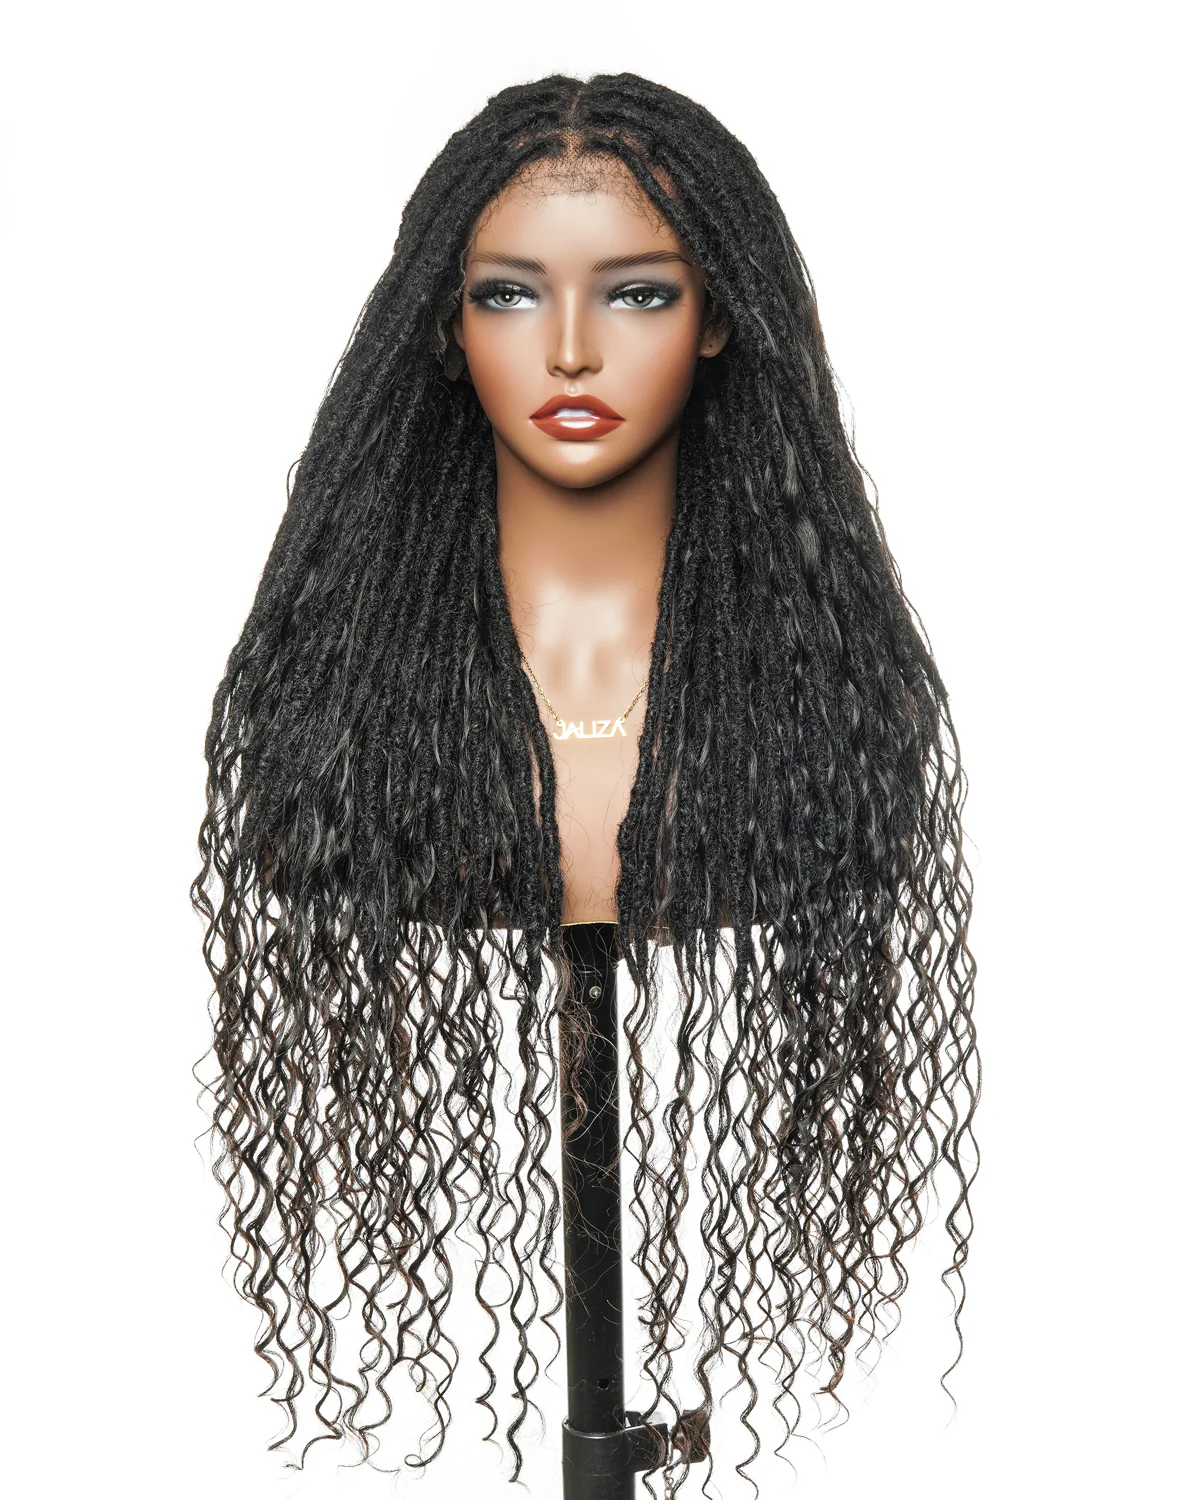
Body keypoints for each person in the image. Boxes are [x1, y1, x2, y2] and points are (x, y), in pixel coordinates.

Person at [192, 71, 979, 1494]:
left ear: (719, 317)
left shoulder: (819, 728)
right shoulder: (345, 728)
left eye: (636, 295)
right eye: (508, 295)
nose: (568, 351)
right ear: (444, 328)